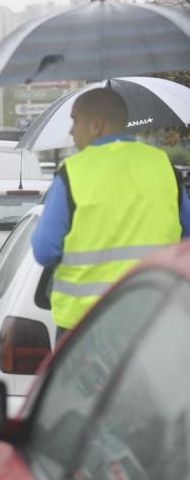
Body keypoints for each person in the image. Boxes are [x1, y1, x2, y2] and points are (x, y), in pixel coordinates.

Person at [31, 88, 190, 340]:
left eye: (75, 121)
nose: (72, 131)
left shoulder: (73, 172)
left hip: (85, 324)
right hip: (155, 318)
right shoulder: (163, 166)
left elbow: (44, 250)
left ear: (96, 125)